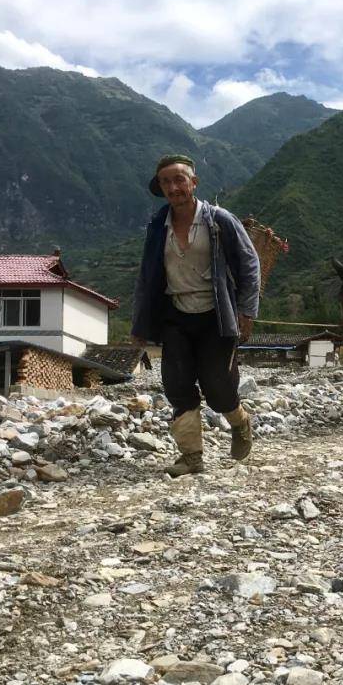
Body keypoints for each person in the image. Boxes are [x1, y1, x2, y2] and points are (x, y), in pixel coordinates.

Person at [131, 154, 261, 477]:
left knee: (218, 386)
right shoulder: (157, 227)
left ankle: (240, 420)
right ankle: (191, 456)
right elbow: (146, 277)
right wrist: (140, 324)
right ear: (160, 187)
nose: (174, 187)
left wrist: (247, 311)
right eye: (166, 182)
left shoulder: (219, 221)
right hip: (175, 315)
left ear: (194, 182)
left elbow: (249, 264)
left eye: (179, 180)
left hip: (216, 315)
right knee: (177, 384)